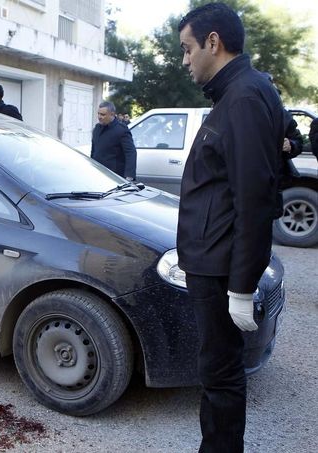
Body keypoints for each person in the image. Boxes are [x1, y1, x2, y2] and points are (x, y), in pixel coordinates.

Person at [176, 3, 285, 452]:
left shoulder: (243, 96)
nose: (185, 61)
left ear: (213, 42)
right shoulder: (239, 93)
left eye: (187, 49)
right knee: (217, 373)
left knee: (220, 377)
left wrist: (241, 287)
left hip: (221, 271)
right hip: (215, 262)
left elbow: (254, 199)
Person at [90, 101, 137, 180]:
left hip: (114, 176)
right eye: (98, 113)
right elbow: (94, 151)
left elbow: (130, 152)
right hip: (97, 174)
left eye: (103, 114)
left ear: (112, 114)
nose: (99, 117)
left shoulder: (121, 129)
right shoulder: (97, 128)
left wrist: (129, 176)